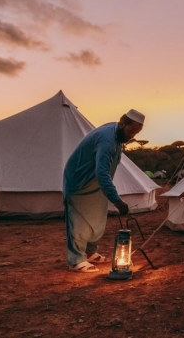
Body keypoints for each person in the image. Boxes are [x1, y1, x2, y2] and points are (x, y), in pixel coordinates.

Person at [63, 109, 145, 273]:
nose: (130, 137)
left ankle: (90, 252)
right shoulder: (107, 139)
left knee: (96, 218)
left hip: (95, 185)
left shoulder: (118, 138)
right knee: (79, 222)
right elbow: (102, 172)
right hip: (80, 182)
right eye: (129, 131)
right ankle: (76, 260)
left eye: (134, 134)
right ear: (122, 124)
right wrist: (117, 200)